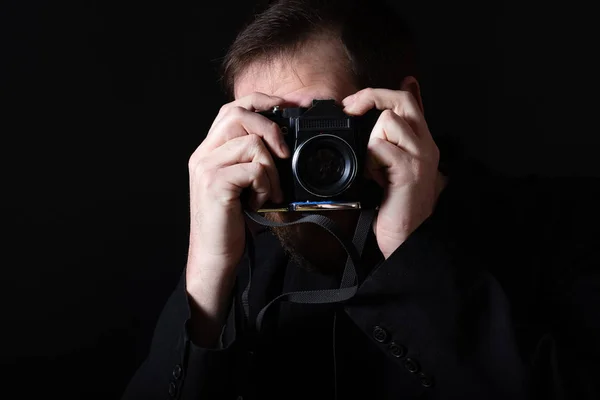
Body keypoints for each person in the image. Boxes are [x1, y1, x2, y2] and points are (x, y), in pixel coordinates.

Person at [121, 0, 600, 399]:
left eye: (321, 124)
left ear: (402, 106)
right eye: (272, 129)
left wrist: (412, 251)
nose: (297, 158)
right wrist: (205, 271)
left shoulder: (563, 229)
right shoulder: (250, 261)